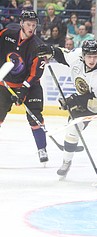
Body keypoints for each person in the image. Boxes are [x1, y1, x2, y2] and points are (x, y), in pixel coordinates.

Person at [36, 39, 97, 178]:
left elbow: (95, 101)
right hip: (84, 100)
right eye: (89, 56)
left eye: (95, 56)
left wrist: (72, 100)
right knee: (72, 129)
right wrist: (50, 51)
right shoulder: (76, 56)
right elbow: (62, 55)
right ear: (83, 55)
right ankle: (66, 161)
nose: (92, 60)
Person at [0, 10, 48, 163]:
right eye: (28, 24)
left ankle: (42, 148)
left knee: (35, 116)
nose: (31, 28)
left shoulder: (38, 46)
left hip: (30, 85)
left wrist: (24, 90)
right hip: (5, 83)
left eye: (34, 25)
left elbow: (35, 74)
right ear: (21, 23)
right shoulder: (6, 34)